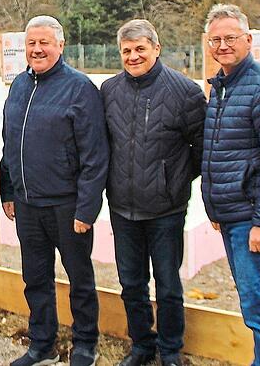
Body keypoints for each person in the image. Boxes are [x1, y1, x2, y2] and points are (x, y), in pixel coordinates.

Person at [0, 15, 109, 366]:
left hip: (67, 205)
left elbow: (95, 155)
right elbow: (10, 142)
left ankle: (85, 344)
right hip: (28, 205)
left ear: (60, 45)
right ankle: (42, 344)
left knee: (80, 279)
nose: (37, 49)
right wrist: (8, 190)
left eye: (44, 43)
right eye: (31, 43)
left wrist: (86, 209)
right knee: (35, 278)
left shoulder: (80, 88)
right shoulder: (19, 85)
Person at [101, 20, 205, 366]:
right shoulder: (109, 91)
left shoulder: (185, 92)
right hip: (122, 207)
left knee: (168, 285)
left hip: (166, 210)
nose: (133, 56)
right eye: (127, 51)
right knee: (131, 283)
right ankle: (142, 345)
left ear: (156, 49)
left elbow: (200, 149)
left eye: (140, 49)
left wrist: (171, 179)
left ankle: (171, 350)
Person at [201, 4, 260, 366]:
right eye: (216, 40)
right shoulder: (221, 88)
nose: (223, 45)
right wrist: (215, 207)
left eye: (231, 38)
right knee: (252, 306)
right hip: (233, 214)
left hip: (253, 218)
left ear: (249, 40)